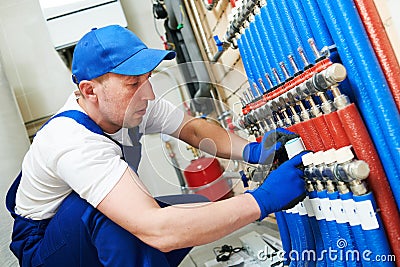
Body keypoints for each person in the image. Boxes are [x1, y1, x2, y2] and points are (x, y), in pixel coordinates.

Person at [6, 25, 307, 267]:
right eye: (133, 83)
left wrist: (253, 150)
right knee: (119, 220)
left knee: (196, 210)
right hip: (44, 248)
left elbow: (192, 129)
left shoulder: (130, 105)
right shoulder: (71, 141)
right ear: (89, 91)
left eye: (147, 79)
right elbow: (156, 228)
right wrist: (261, 201)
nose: (148, 94)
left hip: (79, 234)